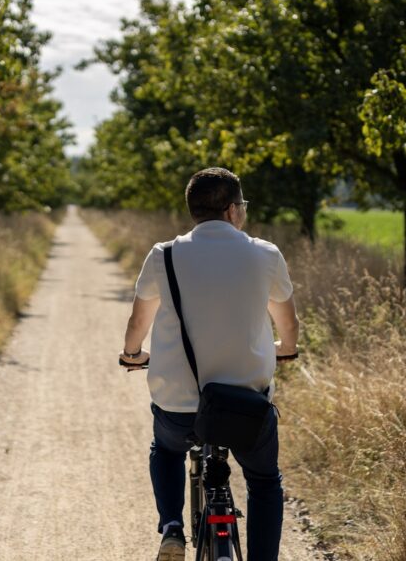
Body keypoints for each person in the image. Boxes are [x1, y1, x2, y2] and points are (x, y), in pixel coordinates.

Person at [119, 167, 300, 561]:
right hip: (246, 408)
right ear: (233, 210)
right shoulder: (265, 254)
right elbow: (288, 324)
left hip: (181, 407)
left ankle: (172, 528)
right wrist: (285, 348)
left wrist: (132, 354)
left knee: (165, 449)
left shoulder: (162, 256)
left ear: (194, 211)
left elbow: (138, 323)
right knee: (265, 481)